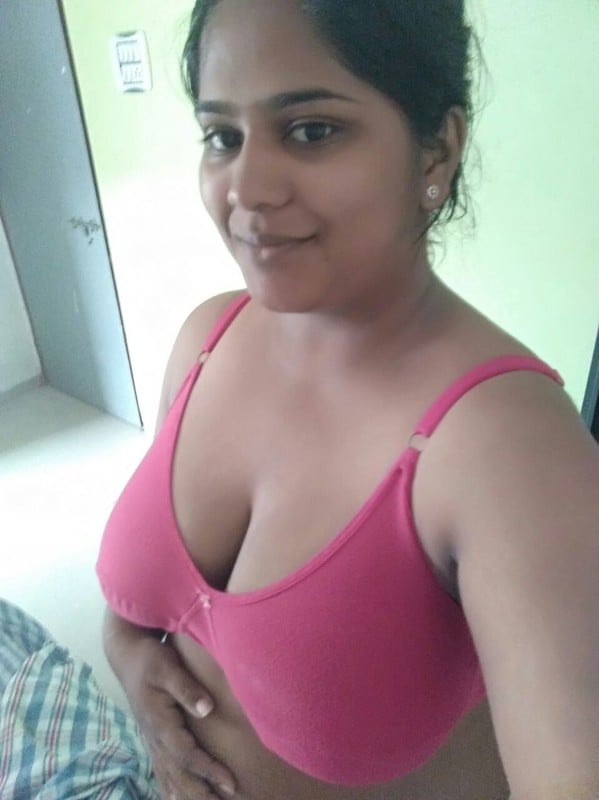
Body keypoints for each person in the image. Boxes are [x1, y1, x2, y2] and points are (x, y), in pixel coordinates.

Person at [96, 1, 599, 798]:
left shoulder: (507, 445)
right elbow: (147, 603)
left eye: (310, 131)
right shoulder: (207, 336)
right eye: (222, 136)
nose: (246, 188)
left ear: (437, 147)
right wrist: (129, 659)